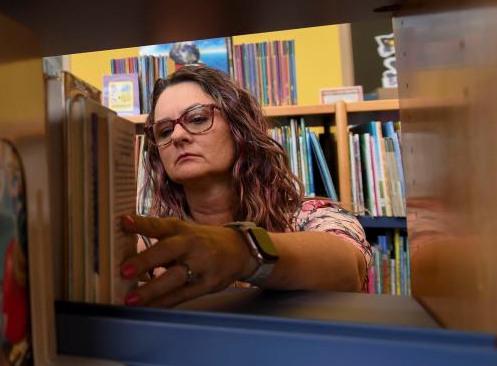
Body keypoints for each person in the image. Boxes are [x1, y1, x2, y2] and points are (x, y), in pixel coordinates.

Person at [119, 65, 371, 308]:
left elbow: (350, 267)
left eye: (197, 118)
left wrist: (242, 251)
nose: (176, 136)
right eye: (163, 131)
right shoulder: (155, 237)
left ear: (239, 127)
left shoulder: (310, 216)